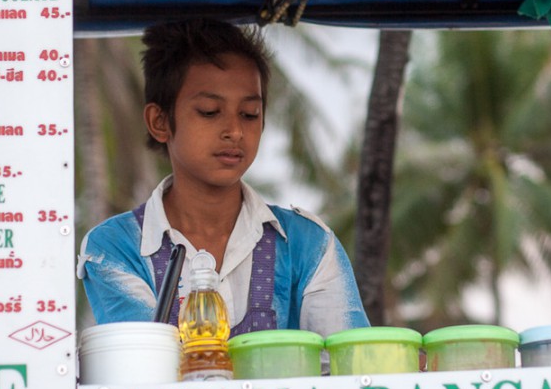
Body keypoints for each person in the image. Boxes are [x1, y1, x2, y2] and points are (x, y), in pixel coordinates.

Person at [77, 17, 369, 338]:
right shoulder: (114, 249)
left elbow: (348, 366)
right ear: (159, 121)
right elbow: (144, 366)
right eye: (209, 111)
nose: (234, 131)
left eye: (249, 114)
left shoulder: (310, 245)